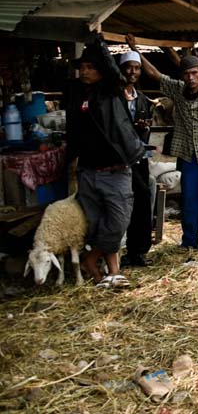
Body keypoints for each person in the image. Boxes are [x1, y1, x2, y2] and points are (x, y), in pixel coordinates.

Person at [125, 34, 198, 249]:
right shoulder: (177, 89)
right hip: (188, 154)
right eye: (186, 74)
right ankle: (189, 241)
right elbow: (154, 74)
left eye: (194, 73)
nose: (191, 77)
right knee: (190, 200)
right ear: (182, 76)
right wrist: (135, 48)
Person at [65, 36, 145, 289]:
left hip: (115, 168)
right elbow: (73, 130)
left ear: (101, 70)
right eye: (82, 67)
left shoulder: (112, 90)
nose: (84, 71)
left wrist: (97, 41)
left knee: (118, 221)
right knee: (97, 222)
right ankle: (110, 273)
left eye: (90, 67)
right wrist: (70, 162)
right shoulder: (77, 94)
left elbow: (112, 70)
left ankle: (91, 259)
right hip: (88, 170)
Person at [119, 51, 154, 267]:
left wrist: (144, 128)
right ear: (121, 69)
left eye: (137, 68)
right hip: (118, 159)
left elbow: (145, 130)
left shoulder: (141, 99)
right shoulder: (113, 98)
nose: (133, 72)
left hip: (139, 157)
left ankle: (138, 251)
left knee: (142, 199)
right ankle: (113, 251)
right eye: (129, 67)